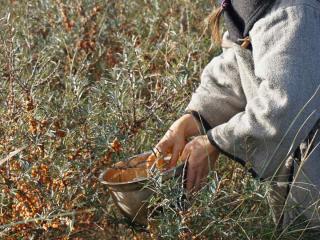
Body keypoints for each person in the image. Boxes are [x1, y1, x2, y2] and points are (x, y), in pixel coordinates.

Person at [155, 0, 320, 230]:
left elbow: (283, 106)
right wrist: (191, 119)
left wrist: (215, 142)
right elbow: (241, 65)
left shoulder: (295, 10)